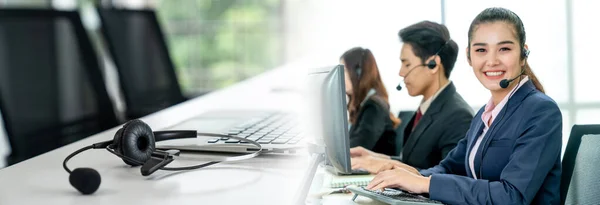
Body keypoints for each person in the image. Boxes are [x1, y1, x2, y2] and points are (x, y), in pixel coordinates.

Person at [365, 7, 562, 205]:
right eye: (481, 50)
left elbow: (511, 196)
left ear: (523, 53)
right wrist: (407, 177)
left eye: (504, 49)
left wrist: (426, 184)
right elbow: (449, 168)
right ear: (469, 56)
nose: (491, 61)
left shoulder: (541, 111)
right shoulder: (484, 116)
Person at [351, 21, 473, 171]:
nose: (401, 73)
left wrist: (386, 166)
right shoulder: (428, 107)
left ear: (433, 65)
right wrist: (374, 158)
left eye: (407, 64)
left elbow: (451, 179)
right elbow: (414, 162)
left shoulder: (458, 116)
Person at [340, 47, 400, 156]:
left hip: (376, 171)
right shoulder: (362, 104)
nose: (339, 76)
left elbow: (357, 147)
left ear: (358, 73)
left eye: (343, 70)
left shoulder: (374, 106)